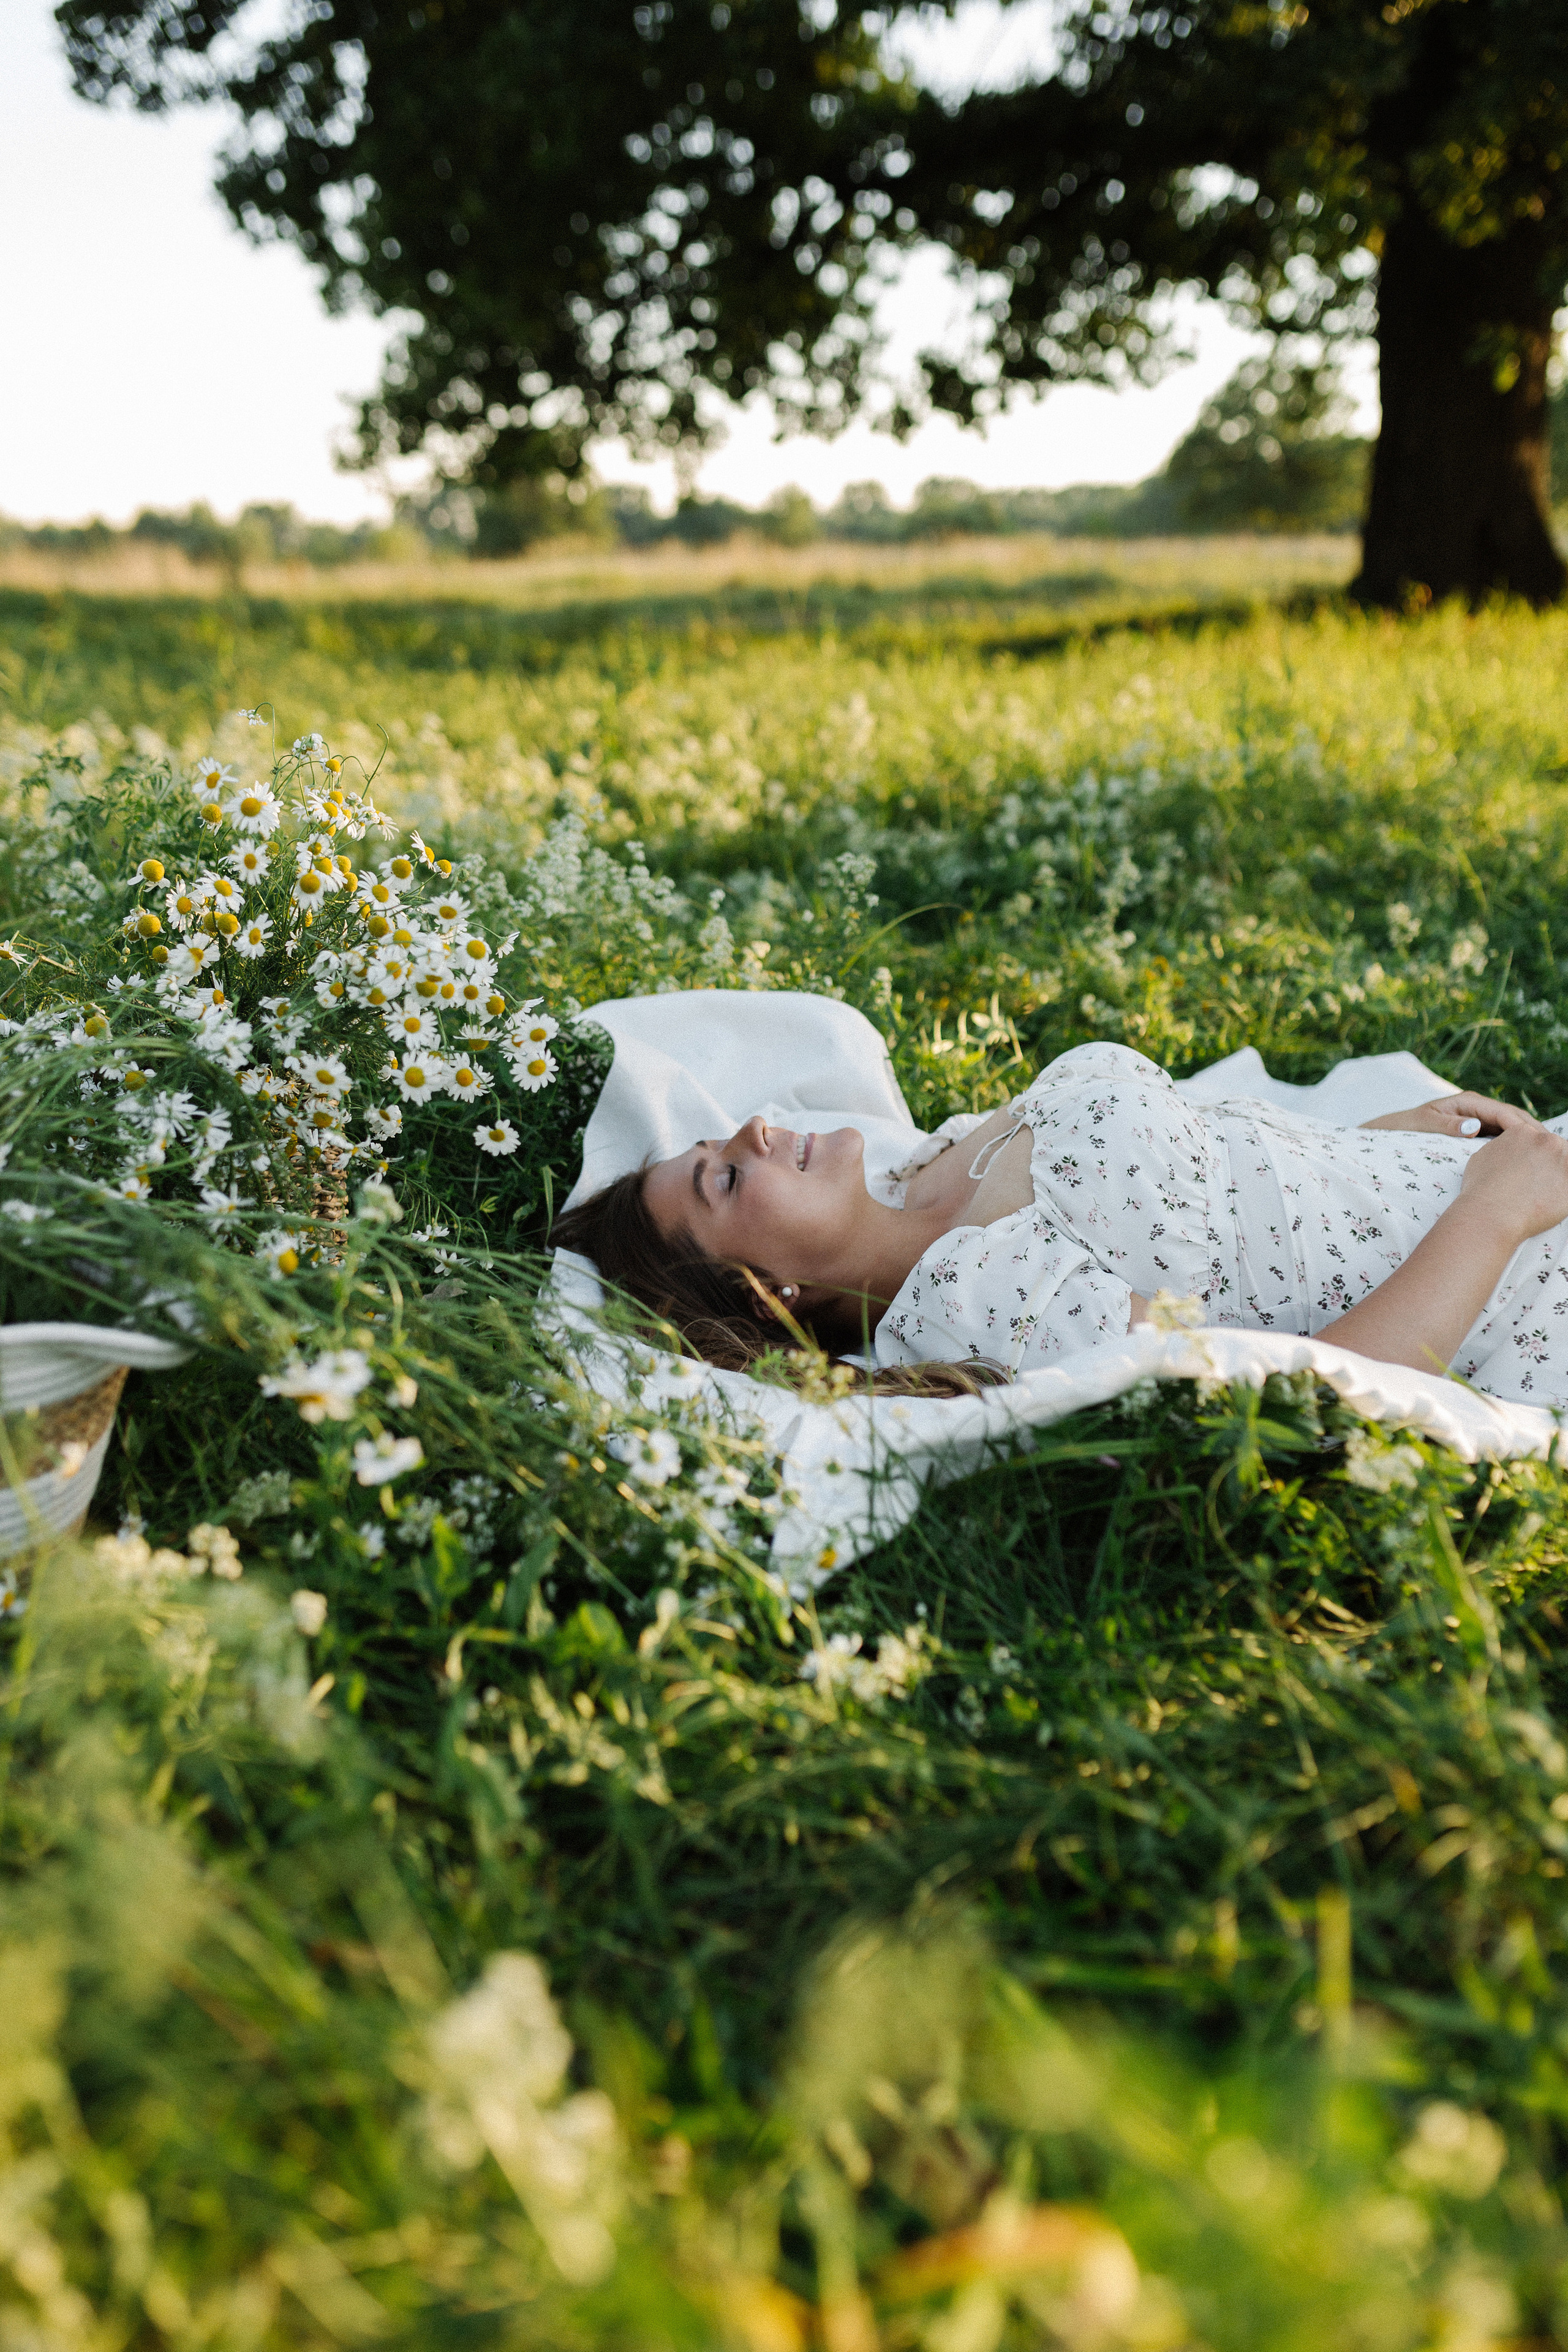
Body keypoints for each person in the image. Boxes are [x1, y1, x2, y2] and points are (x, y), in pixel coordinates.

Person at [551, 1041, 1568, 1406]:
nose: (757, 1130)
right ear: (766, 1295)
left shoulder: (918, 1168)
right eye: (723, 1180)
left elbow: (1221, 1210)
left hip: (1481, 1178)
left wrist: (1369, 1144)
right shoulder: (983, 1309)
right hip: (1525, 1281)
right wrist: (1493, 1213)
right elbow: (1312, 1387)